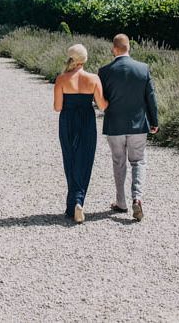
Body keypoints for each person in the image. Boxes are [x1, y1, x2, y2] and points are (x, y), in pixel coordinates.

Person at [98, 34, 159, 222]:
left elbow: (101, 100)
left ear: (114, 48)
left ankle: (121, 202)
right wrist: (154, 121)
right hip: (138, 124)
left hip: (114, 124)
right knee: (138, 162)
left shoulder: (104, 71)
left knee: (119, 162)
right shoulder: (143, 69)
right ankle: (137, 198)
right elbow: (151, 97)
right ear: (128, 48)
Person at [53, 44, 108, 223]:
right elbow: (102, 105)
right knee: (85, 161)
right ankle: (78, 201)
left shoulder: (61, 79)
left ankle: (73, 204)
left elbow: (57, 107)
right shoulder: (93, 78)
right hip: (86, 120)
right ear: (84, 59)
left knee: (70, 159)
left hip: (67, 120)